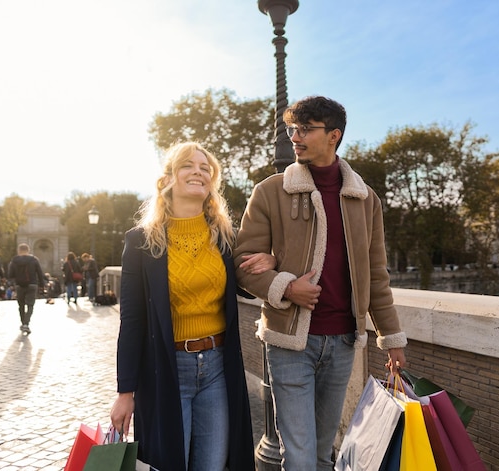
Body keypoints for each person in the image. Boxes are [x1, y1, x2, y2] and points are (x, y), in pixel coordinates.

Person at [234, 96, 408, 471]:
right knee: (297, 458)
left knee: (320, 453)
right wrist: (285, 285)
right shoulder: (269, 191)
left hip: (344, 342)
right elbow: (243, 266)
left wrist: (391, 340)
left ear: (333, 135)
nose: (294, 137)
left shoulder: (366, 200)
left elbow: (376, 276)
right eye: (292, 129)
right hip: (289, 342)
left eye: (305, 130)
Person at [110, 142, 274, 471]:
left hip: (217, 367)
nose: (198, 171)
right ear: (167, 179)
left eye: (205, 167)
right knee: (170, 463)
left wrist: (269, 259)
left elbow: (248, 281)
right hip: (165, 369)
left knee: (212, 465)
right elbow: (132, 321)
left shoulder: (226, 236)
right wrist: (125, 391)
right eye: (188, 165)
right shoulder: (141, 241)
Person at [7, 243, 45, 334]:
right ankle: (26, 324)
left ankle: (23, 322)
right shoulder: (34, 260)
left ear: (19, 251)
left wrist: (12, 283)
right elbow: (40, 273)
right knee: (30, 305)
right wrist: (42, 285)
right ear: (28, 250)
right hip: (32, 284)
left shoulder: (14, 261)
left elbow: (10, 274)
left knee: (21, 305)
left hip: (19, 285)